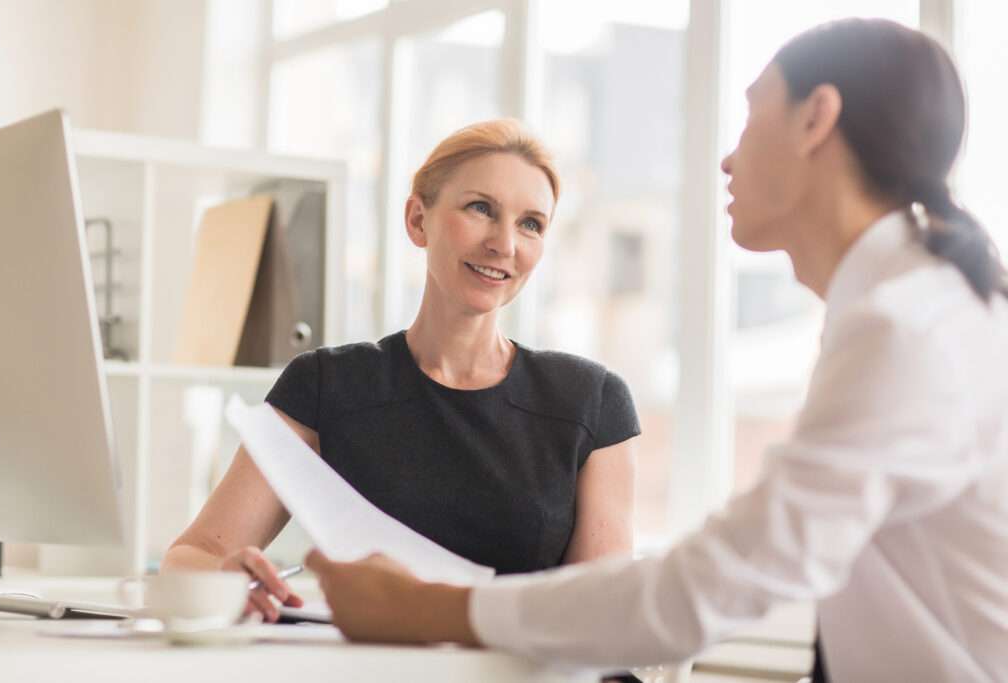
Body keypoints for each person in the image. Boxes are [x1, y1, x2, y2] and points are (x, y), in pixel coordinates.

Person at [302, 18, 1008, 682]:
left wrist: (422, 608)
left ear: (815, 118)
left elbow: (712, 585)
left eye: (751, 113)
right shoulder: (913, 307)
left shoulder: (905, 330)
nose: (728, 159)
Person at [162, 119, 641, 622]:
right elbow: (191, 555)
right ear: (417, 219)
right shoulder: (327, 385)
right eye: (481, 208)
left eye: (531, 224)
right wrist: (227, 578)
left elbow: (603, 616)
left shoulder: (591, 401)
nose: (505, 244)